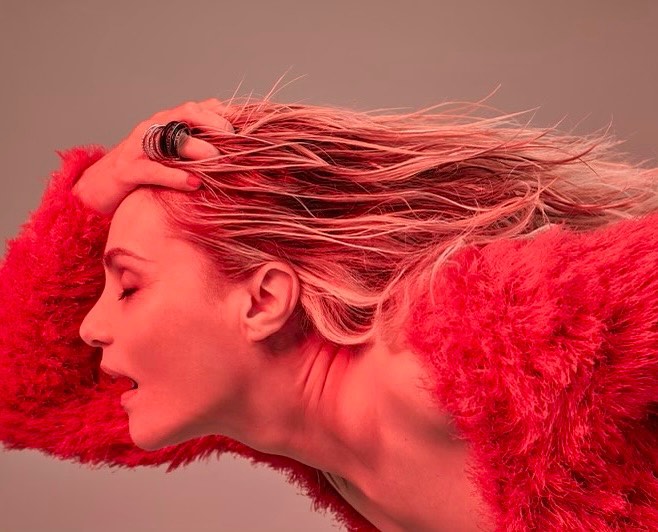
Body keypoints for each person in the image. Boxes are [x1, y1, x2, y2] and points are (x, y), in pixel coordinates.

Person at [1, 95, 657, 531]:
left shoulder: (482, 332)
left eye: (127, 287)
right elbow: (21, 398)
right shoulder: (296, 422)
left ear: (263, 300)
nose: (89, 327)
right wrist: (91, 193)